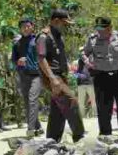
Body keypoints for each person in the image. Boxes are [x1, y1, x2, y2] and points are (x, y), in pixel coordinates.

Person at [81, 16, 118, 138]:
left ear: (110, 28)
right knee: (104, 109)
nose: (99, 31)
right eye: (98, 28)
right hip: (101, 76)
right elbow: (84, 52)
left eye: (103, 29)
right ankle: (105, 136)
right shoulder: (92, 39)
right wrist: (88, 63)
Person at [36, 9, 85, 143]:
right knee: (71, 100)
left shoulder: (57, 36)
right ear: (56, 21)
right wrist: (52, 78)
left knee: (58, 109)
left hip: (61, 76)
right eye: (65, 23)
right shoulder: (43, 37)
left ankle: (52, 140)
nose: (66, 26)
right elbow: (41, 59)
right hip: (53, 77)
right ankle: (79, 137)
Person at [13, 18, 43, 138]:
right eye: (23, 27)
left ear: (32, 27)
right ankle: (38, 126)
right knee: (27, 102)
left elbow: (44, 56)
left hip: (37, 75)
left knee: (32, 99)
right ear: (20, 29)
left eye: (27, 26)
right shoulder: (17, 44)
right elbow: (12, 61)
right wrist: (18, 61)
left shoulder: (38, 41)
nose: (25, 28)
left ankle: (30, 129)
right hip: (23, 75)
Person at [75, 45, 96, 119]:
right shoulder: (81, 58)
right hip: (82, 82)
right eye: (81, 51)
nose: (82, 52)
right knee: (82, 101)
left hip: (90, 81)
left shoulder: (92, 57)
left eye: (83, 51)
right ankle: (81, 115)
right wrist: (79, 76)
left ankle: (89, 115)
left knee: (91, 100)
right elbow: (76, 74)